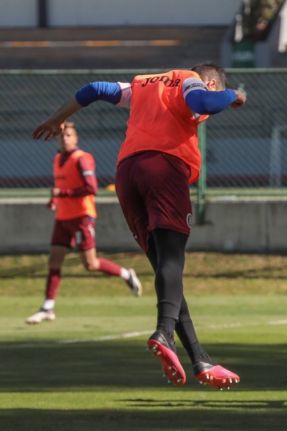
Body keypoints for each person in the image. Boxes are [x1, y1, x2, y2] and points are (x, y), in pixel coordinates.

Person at [33, 64, 246, 389]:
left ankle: (200, 358)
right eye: (215, 87)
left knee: (166, 270)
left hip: (127, 174)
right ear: (211, 81)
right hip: (163, 169)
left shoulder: (143, 84)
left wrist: (56, 118)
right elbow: (204, 103)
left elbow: (94, 89)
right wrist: (235, 95)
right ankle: (163, 333)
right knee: (172, 262)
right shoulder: (191, 82)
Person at [26, 122, 142, 325]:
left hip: (81, 217)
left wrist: (61, 194)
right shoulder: (57, 159)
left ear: (76, 138)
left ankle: (126, 274)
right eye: (61, 135)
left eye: (69, 135)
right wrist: (55, 200)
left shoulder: (82, 159)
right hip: (62, 218)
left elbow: (91, 188)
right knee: (54, 261)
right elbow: (60, 185)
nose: (65, 138)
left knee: (91, 264)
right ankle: (48, 307)